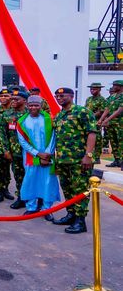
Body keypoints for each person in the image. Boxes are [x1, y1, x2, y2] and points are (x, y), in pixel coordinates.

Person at [53, 87, 97, 234]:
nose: (59, 98)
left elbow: (92, 133)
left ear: (71, 96)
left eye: (62, 95)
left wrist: (88, 156)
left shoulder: (82, 111)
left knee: (80, 189)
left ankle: (80, 221)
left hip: (80, 160)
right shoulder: (59, 115)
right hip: (63, 160)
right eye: (57, 96)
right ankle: (71, 214)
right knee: (67, 188)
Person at [17, 95, 60, 219]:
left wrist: (47, 154)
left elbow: (53, 137)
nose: (33, 107)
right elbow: (23, 142)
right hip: (31, 157)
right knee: (30, 181)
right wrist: (37, 154)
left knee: (47, 182)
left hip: (48, 157)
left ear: (41, 106)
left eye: (36, 105)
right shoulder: (22, 121)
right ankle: (31, 208)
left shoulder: (48, 119)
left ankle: (47, 209)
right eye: (31, 105)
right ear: (27, 106)